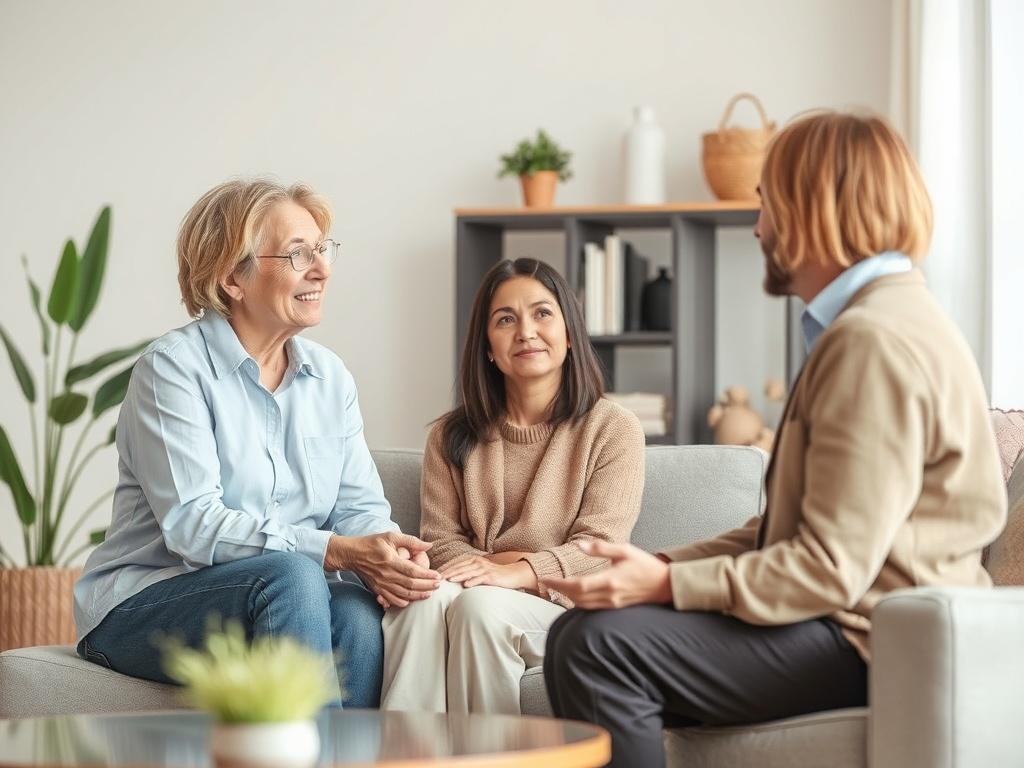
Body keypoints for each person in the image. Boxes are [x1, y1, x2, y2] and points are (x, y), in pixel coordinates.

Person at [541, 111, 1008, 766]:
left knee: (596, 645)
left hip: (869, 638)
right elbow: (789, 530)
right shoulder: (887, 319)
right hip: (860, 621)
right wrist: (661, 567)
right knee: (592, 636)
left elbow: (827, 566)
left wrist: (665, 589)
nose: (759, 227)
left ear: (813, 207)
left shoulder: (872, 341)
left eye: (767, 203)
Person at [73, 179, 441, 707]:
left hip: (280, 590)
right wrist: (335, 550)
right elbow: (194, 528)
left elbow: (358, 507)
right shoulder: (173, 369)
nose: (321, 269)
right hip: (144, 603)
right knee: (294, 577)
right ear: (232, 280)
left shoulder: (329, 377)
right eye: (297, 254)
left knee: (358, 613)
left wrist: (387, 552)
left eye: (321, 249)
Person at [380, 257, 645, 714]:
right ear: (487, 346)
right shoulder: (449, 436)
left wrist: (512, 573)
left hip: (569, 612)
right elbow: (440, 544)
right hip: (473, 593)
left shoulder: (613, 428)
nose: (525, 331)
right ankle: (409, 757)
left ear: (568, 333)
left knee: (480, 607)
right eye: (506, 320)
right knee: (419, 603)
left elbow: (598, 550)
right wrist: (496, 572)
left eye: (542, 313)